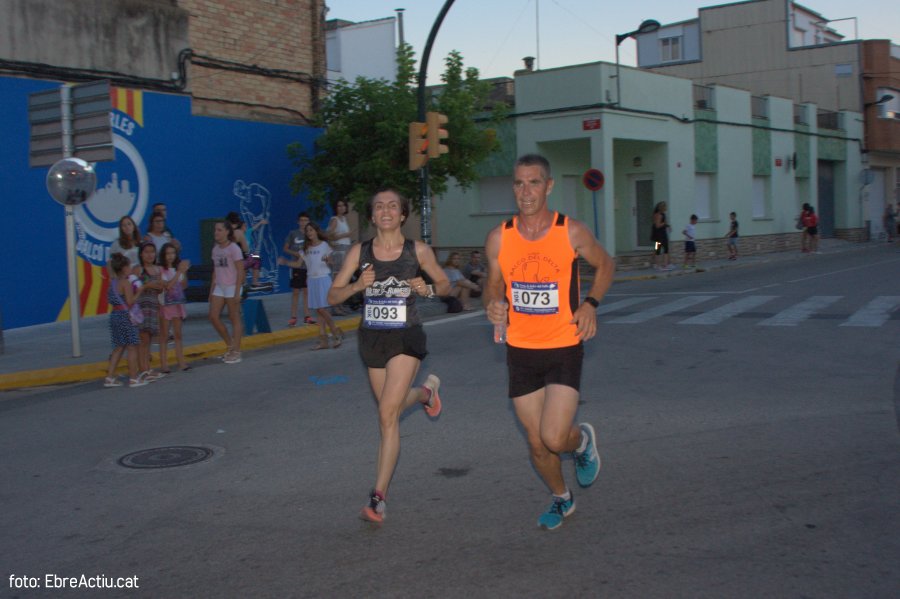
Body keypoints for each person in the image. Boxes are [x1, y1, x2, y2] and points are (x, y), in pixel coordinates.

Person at [483, 154, 615, 530]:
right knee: (537, 443)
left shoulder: (570, 231)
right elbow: (493, 283)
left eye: (534, 182)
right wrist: (494, 304)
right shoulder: (499, 237)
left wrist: (590, 304)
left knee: (555, 438)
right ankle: (562, 498)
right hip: (520, 351)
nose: (526, 191)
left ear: (549, 186)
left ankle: (582, 443)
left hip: (563, 345)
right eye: (519, 183)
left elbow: (606, 265)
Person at [327, 188, 451, 523]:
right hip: (371, 338)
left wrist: (427, 288)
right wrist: (357, 286)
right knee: (390, 410)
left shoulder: (417, 251)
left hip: (406, 336)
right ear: (372, 216)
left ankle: (378, 497)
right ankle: (425, 393)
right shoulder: (359, 252)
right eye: (379, 206)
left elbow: (446, 285)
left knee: (386, 414)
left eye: (392, 206)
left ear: (402, 215)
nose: (386, 211)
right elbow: (333, 293)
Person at [278, 221, 343, 350]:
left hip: (323, 279)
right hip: (312, 280)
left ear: (316, 231)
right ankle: (323, 340)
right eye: (307, 231)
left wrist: (328, 261)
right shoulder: (305, 249)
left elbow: (332, 263)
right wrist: (285, 262)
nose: (309, 233)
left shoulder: (325, 246)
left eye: (311, 230)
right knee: (319, 312)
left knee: (321, 309)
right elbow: (298, 264)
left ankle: (335, 332)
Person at [104, 253, 147, 388]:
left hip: (115, 315)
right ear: (123, 268)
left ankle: (110, 377)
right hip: (125, 316)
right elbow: (130, 301)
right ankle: (134, 377)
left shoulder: (112, 283)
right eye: (128, 266)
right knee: (132, 347)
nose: (130, 268)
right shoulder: (125, 283)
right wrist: (140, 291)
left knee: (118, 347)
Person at [209, 220, 245, 364]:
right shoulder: (215, 249)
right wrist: (212, 289)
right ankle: (230, 345)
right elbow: (215, 270)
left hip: (232, 286)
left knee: (234, 317)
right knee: (213, 316)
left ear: (227, 232)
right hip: (220, 285)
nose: (216, 233)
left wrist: (237, 292)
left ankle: (236, 351)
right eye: (215, 230)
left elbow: (240, 270)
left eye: (219, 230)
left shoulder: (234, 248)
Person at [134, 242, 166, 382]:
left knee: (149, 339)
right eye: (146, 252)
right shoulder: (138, 269)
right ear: (141, 254)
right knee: (143, 340)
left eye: (152, 252)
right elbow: (134, 287)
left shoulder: (157, 269)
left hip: (153, 306)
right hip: (141, 307)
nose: (150, 255)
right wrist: (148, 285)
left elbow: (160, 288)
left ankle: (147, 367)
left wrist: (157, 287)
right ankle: (143, 369)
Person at [158, 242, 191, 372]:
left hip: (177, 304)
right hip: (166, 305)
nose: (170, 256)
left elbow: (184, 285)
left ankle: (181, 361)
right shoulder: (161, 269)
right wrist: (178, 273)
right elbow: (167, 286)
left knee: (178, 334)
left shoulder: (179, 268)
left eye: (172, 253)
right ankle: (164, 363)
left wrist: (182, 272)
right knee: (164, 335)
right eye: (167, 254)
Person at [283, 212, 315, 326]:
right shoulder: (293, 233)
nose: (303, 223)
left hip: (309, 267)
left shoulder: (310, 235)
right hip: (297, 267)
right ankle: (293, 316)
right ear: (298, 222)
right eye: (301, 220)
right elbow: (285, 248)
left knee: (307, 291)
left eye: (306, 220)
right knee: (296, 291)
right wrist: (297, 254)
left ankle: (307, 316)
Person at [226, 211, 267, 292]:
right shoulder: (239, 233)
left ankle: (244, 282)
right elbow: (246, 250)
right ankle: (254, 282)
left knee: (253, 256)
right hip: (240, 261)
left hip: (230, 262)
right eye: (244, 226)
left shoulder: (225, 232)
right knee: (256, 258)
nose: (245, 228)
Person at [327, 199, 353, 315]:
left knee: (343, 280)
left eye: (343, 205)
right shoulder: (335, 220)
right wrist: (345, 235)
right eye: (339, 206)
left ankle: (341, 305)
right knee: (337, 280)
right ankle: (335, 307)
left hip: (346, 250)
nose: (341, 207)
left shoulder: (344, 219)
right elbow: (328, 235)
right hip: (339, 252)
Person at [651, 201, 674, 270]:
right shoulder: (659, 215)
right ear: (662, 208)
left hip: (658, 234)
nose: (666, 208)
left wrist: (667, 226)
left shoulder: (658, 214)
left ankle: (658, 264)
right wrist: (664, 224)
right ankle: (663, 265)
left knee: (658, 249)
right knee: (663, 249)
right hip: (660, 235)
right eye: (665, 206)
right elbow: (657, 225)